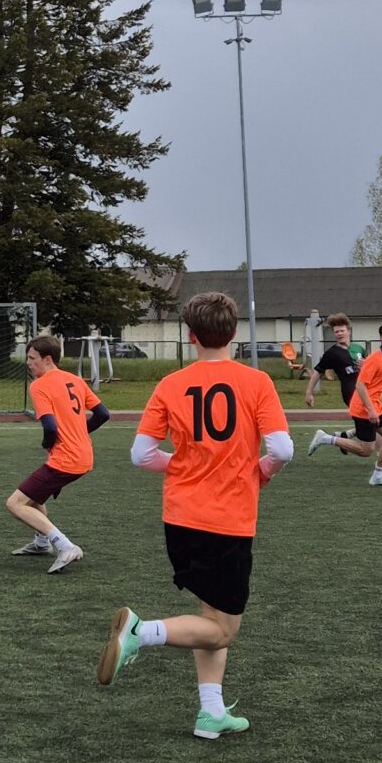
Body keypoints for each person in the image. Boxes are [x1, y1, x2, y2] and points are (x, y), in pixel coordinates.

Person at [96, 290, 294, 740]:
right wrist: (262, 469)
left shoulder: (170, 384)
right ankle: (140, 632)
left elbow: (141, 455)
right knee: (222, 631)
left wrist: (184, 464)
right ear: (234, 332)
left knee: (210, 618)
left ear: (190, 336)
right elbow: (282, 449)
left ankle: (211, 712)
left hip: (179, 518)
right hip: (226, 519)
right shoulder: (256, 382)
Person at [8, 334, 109, 571]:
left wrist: (48, 443)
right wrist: (78, 433)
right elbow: (103, 414)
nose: (28, 363)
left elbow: (50, 427)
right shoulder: (74, 380)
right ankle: (41, 543)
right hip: (83, 456)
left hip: (66, 459)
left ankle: (65, 546)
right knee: (34, 497)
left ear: (48, 359)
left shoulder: (40, 385)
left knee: (15, 503)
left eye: (32, 358)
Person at [307, 317, 382, 486]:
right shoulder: (334, 353)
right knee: (366, 449)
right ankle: (326, 438)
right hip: (359, 402)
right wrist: (309, 392)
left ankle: (378, 472)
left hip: (374, 402)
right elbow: (358, 383)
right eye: (336, 331)